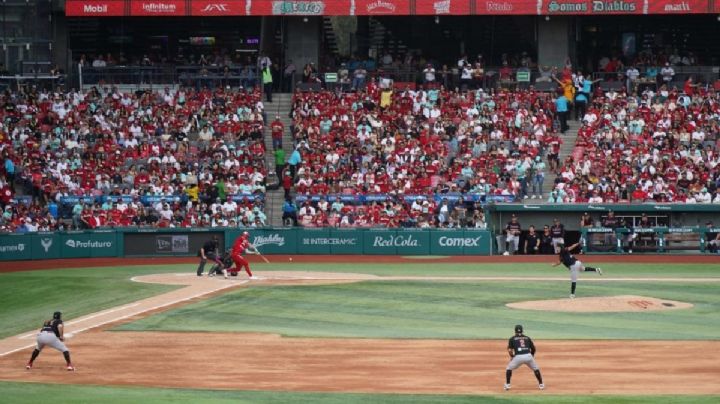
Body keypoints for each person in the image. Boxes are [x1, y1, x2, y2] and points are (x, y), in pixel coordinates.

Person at [504, 324, 544, 391]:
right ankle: (541, 385)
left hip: (518, 357)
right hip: (528, 355)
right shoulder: (527, 338)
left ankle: (507, 385)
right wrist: (532, 355)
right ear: (522, 330)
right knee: (536, 368)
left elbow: (510, 350)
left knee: (509, 368)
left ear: (515, 331)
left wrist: (512, 356)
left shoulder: (512, 338)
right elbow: (533, 348)